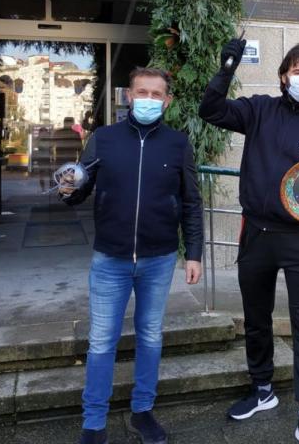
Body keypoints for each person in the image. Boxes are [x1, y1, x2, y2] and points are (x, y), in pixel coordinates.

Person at [199, 39, 299, 444]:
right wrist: (226, 70)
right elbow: (210, 110)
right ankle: (262, 390)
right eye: (297, 70)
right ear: (283, 75)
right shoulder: (259, 110)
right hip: (256, 233)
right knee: (256, 317)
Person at [60, 67, 204, 444]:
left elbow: (191, 201)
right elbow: (80, 188)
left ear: (167, 101)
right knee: (102, 341)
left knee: (151, 336)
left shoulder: (178, 143)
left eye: (157, 94)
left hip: (159, 259)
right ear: (128, 96)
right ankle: (94, 422)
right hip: (111, 259)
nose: (149, 100)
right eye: (142, 92)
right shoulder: (103, 139)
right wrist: (68, 187)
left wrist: (195, 253)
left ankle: (143, 411)